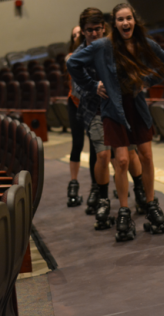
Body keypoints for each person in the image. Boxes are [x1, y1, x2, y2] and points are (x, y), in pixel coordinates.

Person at [67, 3, 164, 241]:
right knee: (122, 160)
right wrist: (93, 85)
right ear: (114, 24)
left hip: (136, 106)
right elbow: (72, 64)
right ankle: (124, 211)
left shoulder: (142, 43)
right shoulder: (103, 45)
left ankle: (151, 204)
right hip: (112, 108)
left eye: (128, 18)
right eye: (120, 19)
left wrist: (147, 81)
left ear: (134, 20)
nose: (125, 23)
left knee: (146, 156)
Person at [69, 8, 148, 232]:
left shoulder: (115, 47)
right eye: (89, 30)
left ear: (104, 28)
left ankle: (140, 188)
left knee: (128, 155)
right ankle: (104, 200)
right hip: (95, 110)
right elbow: (76, 88)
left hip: (119, 108)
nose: (93, 33)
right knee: (103, 154)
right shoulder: (78, 55)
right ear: (82, 32)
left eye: (97, 29)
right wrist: (95, 86)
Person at [65, 25, 98, 207]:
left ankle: (96, 186)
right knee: (77, 143)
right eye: (75, 34)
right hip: (75, 104)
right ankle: (73, 184)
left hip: (91, 104)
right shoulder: (72, 57)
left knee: (95, 145)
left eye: (80, 33)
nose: (78, 36)